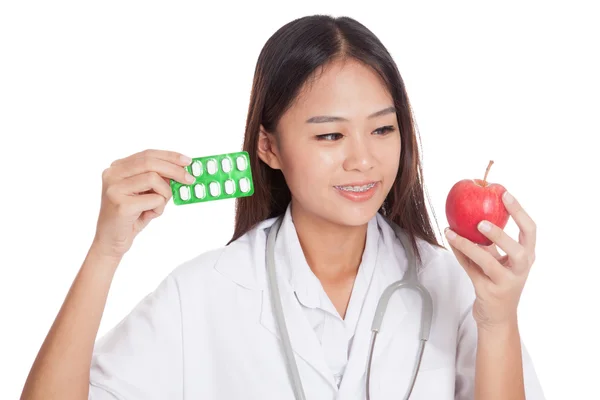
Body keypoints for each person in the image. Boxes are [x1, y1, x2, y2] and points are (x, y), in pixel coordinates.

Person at [20, 14, 545, 400]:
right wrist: (105, 251)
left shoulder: (451, 284)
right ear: (268, 147)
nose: (363, 159)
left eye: (383, 129)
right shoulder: (204, 292)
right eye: (331, 134)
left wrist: (498, 322)